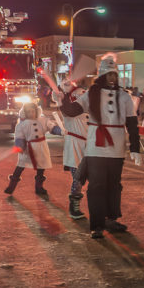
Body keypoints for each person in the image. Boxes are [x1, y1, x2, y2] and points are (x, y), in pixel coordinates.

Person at [60, 55, 141, 239]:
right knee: (96, 186)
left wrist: (135, 148)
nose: (112, 78)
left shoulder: (124, 96)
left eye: (114, 74)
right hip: (95, 149)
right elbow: (71, 111)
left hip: (117, 149)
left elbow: (132, 123)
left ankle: (111, 219)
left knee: (114, 186)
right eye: (108, 74)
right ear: (102, 75)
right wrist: (65, 95)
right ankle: (96, 225)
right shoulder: (91, 94)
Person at [4, 103, 62, 195]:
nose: (31, 113)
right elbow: (19, 136)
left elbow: (52, 127)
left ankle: (39, 187)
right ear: (25, 113)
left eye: (33, 111)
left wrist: (60, 131)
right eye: (28, 112)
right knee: (20, 166)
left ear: (36, 111)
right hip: (28, 148)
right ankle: (11, 186)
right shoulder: (22, 125)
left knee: (41, 167)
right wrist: (20, 145)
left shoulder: (43, 120)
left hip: (41, 147)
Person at [54, 80, 89, 219]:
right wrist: (61, 93)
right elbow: (61, 103)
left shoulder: (90, 111)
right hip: (75, 145)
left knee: (95, 178)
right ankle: (74, 207)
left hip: (90, 146)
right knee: (78, 178)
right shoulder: (68, 109)